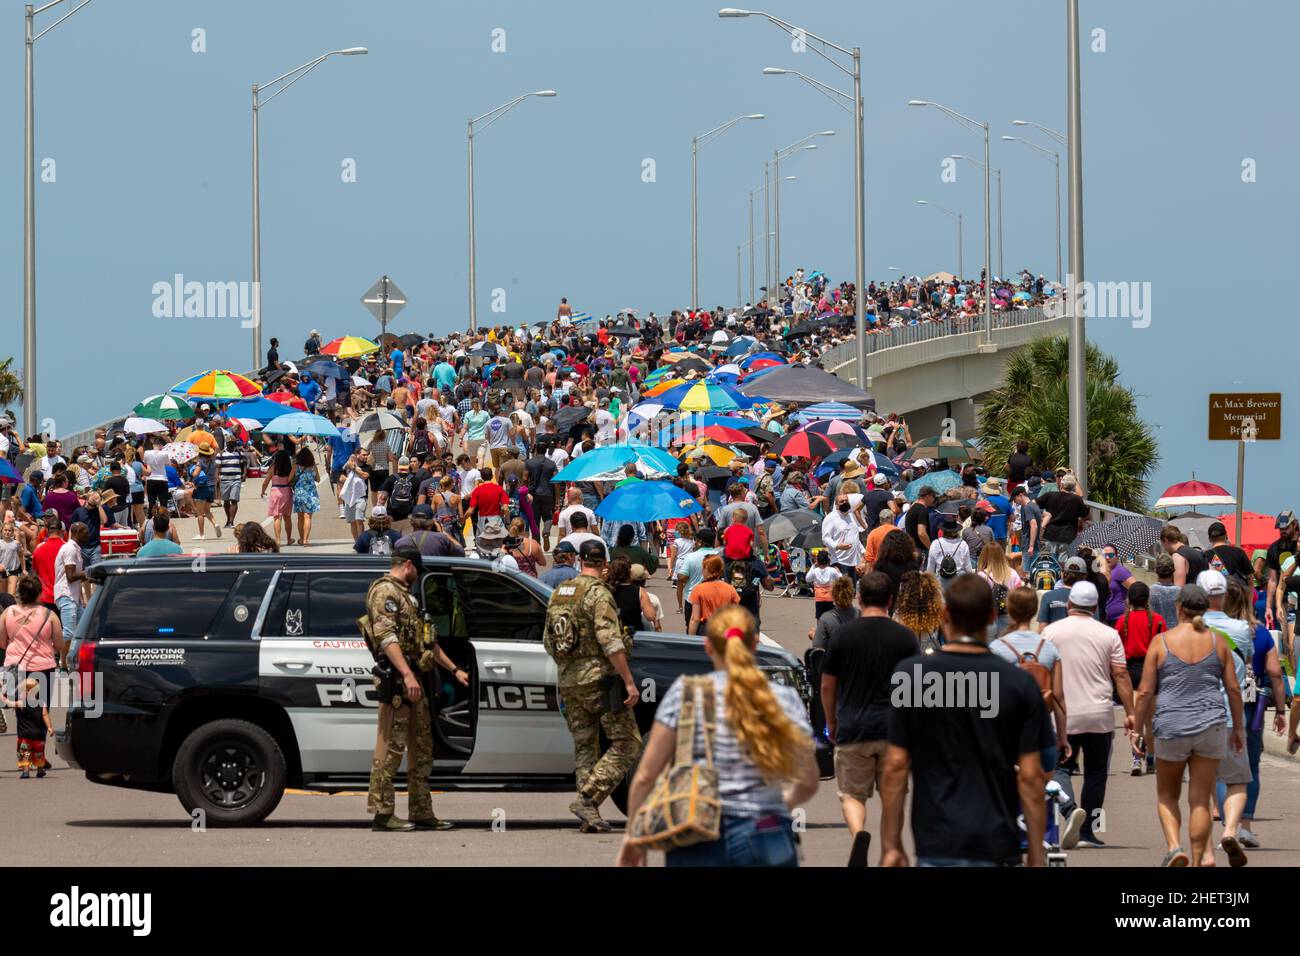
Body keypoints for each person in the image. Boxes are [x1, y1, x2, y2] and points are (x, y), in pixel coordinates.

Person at [618, 605, 819, 867]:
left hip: (699, 831)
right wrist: (780, 804)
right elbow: (808, 780)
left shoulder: (687, 694)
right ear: (754, 646)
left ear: (709, 647)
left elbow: (645, 775)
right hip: (766, 830)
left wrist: (634, 836)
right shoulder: (783, 699)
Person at [880, 573, 1049, 867]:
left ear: (945, 614)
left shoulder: (911, 676)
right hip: (996, 840)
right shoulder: (1019, 684)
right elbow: (1033, 775)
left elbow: (895, 765)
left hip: (937, 839)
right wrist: (1036, 849)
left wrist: (891, 843)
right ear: (993, 616)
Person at [1133, 584, 1245, 867]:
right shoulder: (1218, 642)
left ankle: (1174, 847)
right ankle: (1199, 859)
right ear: (1205, 608)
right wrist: (1239, 729)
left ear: (1179, 608)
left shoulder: (1162, 641)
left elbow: (1145, 691)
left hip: (1171, 725)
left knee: (1168, 795)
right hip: (1211, 724)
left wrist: (1136, 729)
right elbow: (1233, 689)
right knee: (1199, 800)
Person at [362, 543, 468, 832]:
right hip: (398, 683)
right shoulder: (386, 593)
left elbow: (427, 642)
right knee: (390, 749)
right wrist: (407, 675)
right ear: (408, 564)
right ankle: (383, 814)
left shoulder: (406, 596)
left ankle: (421, 810)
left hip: (415, 681)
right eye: (417, 570)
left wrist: (454, 669)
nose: (418, 576)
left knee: (422, 749)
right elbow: (387, 638)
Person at [820, 572, 920, 866]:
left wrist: (832, 722)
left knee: (851, 794)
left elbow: (828, 684)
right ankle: (891, 849)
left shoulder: (842, 635)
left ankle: (858, 835)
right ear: (891, 601)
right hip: (893, 732)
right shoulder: (905, 637)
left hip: (853, 726)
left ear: (859, 599)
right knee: (893, 796)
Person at [544, 539, 641, 833]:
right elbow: (610, 640)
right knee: (628, 742)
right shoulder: (598, 594)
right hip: (599, 680)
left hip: (568, 681)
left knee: (586, 747)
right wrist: (629, 681)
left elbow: (549, 642)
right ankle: (588, 798)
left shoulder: (561, 593)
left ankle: (590, 814)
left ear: (580, 560)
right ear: (604, 564)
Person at [1043, 580, 1136, 849]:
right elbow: (1120, 674)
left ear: (1069, 604)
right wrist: (1131, 713)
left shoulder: (1051, 632)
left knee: (1061, 768)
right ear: (1096, 607)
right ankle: (1089, 832)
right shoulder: (1108, 634)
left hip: (1063, 715)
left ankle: (1070, 810)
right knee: (1096, 773)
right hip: (1099, 713)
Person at [0, 575, 64, 777]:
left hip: (15, 669)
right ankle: (39, 758)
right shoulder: (49, 614)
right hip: (43, 668)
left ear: (19, 592)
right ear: (39, 593)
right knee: (40, 712)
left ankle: (24, 761)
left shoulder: (7, 613)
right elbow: (60, 644)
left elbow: (2, 642)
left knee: (22, 715)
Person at [893, 570, 946, 654]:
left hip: (911, 657)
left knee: (918, 667)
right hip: (931, 654)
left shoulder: (900, 615)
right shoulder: (936, 610)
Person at [1037, 473, 1089, 559]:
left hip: (1051, 534)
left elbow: (1034, 503)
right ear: (1073, 486)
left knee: (1050, 562)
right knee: (1063, 565)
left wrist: (1044, 514)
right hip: (1067, 537)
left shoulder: (1050, 495)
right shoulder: (1076, 499)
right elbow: (1085, 515)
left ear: (1061, 484)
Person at [688, 555, 740, 636]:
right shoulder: (731, 589)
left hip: (706, 630)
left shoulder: (699, 589)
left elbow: (695, 619)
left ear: (706, 569)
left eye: (703, 568)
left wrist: (691, 638)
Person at [976, 542, 1022, 636]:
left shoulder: (981, 576)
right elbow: (1019, 596)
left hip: (987, 618)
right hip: (1008, 617)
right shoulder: (1013, 573)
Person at [261, 448, 296, 547]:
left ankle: (278, 540)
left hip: (275, 492)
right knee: (287, 517)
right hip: (287, 492)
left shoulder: (273, 468)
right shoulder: (289, 468)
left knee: (277, 517)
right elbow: (292, 480)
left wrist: (262, 492)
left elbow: (266, 482)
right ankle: (289, 539)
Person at [925, 519, 972, 585]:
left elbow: (930, 568)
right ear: (956, 531)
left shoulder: (936, 543)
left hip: (941, 580)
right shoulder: (963, 544)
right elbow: (968, 567)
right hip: (959, 581)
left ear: (943, 530)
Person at [292, 447, 321, 547]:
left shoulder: (296, 466)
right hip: (311, 494)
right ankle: (305, 540)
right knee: (308, 517)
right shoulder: (313, 467)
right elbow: (318, 479)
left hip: (299, 493)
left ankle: (301, 538)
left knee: (300, 518)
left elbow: (289, 479)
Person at [806, 550, 842, 619]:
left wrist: (813, 566)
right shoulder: (832, 570)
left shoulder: (815, 571)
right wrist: (839, 572)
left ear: (818, 561)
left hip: (819, 598)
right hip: (830, 597)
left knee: (819, 617)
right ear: (828, 561)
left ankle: (820, 629)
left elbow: (807, 579)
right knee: (830, 616)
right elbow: (841, 579)